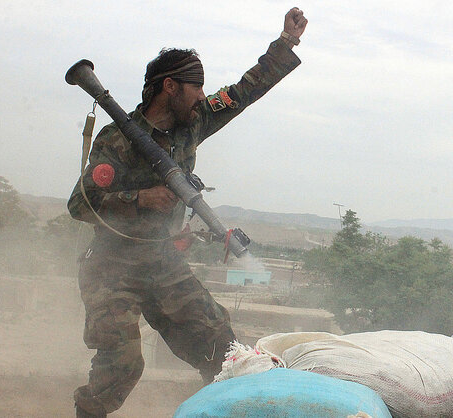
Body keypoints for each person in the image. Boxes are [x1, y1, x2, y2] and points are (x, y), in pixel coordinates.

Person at [67, 8, 307, 418]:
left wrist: (286, 43)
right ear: (169, 87)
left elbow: (244, 91)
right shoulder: (116, 140)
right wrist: (141, 199)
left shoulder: (193, 123)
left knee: (219, 344)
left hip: (161, 260)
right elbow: (80, 203)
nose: (202, 95)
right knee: (122, 366)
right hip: (111, 266)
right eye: (195, 87)